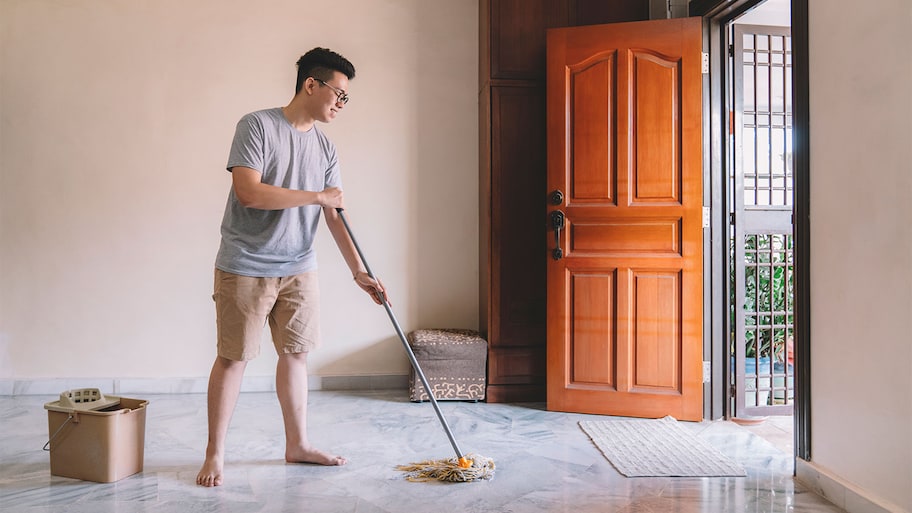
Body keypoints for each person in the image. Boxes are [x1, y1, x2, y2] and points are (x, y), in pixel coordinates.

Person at [197, 47, 386, 487]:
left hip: (300, 265)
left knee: (297, 355)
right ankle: (215, 453)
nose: (341, 104)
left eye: (347, 99)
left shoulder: (324, 146)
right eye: (339, 94)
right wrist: (317, 197)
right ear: (311, 84)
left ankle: (297, 444)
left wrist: (359, 271)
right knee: (233, 358)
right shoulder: (258, 126)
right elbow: (250, 192)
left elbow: (335, 213)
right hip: (245, 264)